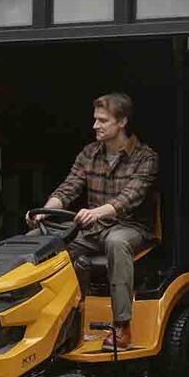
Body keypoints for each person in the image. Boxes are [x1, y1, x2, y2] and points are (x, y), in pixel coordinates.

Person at [26, 92, 157, 351]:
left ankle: (122, 326)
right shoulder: (89, 153)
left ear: (122, 123)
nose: (95, 126)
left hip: (129, 227)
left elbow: (130, 197)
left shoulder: (146, 157)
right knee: (38, 243)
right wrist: (45, 211)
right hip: (93, 228)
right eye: (95, 119)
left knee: (117, 243)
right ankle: (41, 318)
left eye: (102, 120)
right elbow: (68, 189)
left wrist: (97, 212)